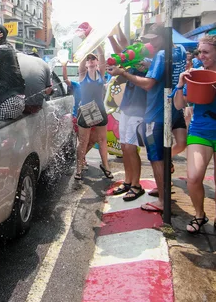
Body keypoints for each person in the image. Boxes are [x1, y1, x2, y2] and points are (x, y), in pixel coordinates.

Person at [108, 24, 186, 212]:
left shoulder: (158, 55)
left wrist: (124, 73)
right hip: (169, 107)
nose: (148, 43)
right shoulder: (179, 51)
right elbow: (124, 53)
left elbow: (149, 83)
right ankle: (157, 187)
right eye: (145, 40)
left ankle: (159, 198)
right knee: (131, 147)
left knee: (156, 157)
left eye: (152, 39)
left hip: (153, 111)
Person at [174, 35, 216, 239]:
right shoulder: (196, 73)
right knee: (194, 177)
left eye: (205, 52)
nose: (200, 56)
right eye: (199, 51)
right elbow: (180, 105)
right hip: (200, 130)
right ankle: (199, 215)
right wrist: (180, 84)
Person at [107, 26, 148, 201]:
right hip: (126, 108)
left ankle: (137, 185)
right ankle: (128, 181)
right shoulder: (129, 63)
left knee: (131, 148)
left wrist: (117, 32)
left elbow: (124, 48)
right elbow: (122, 50)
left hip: (139, 110)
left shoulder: (145, 62)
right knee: (124, 148)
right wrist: (110, 33)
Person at [74, 46, 111, 181]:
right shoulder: (83, 74)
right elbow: (82, 62)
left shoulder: (101, 73)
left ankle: (106, 166)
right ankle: (78, 168)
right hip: (87, 109)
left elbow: (101, 55)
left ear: (96, 62)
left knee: (102, 140)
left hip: (100, 109)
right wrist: (87, 47)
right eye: (88, 58)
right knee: (83, 141)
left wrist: (97, 43)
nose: (90, 60)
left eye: (92, 58)